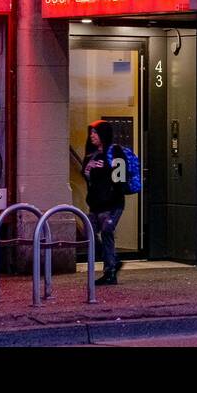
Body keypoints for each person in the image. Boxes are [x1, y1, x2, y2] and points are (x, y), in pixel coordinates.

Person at [83, 120, 126, 283]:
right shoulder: (91, 155)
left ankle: (110, 272)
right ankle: (113, 261)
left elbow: (120, 177)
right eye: (91, 132)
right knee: (89, 232)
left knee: (107, 231)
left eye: (95, 132)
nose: (92, 136)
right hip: (95, 204)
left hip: (112, 204)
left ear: (103, 134)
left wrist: (113, 195)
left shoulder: (115, 152)